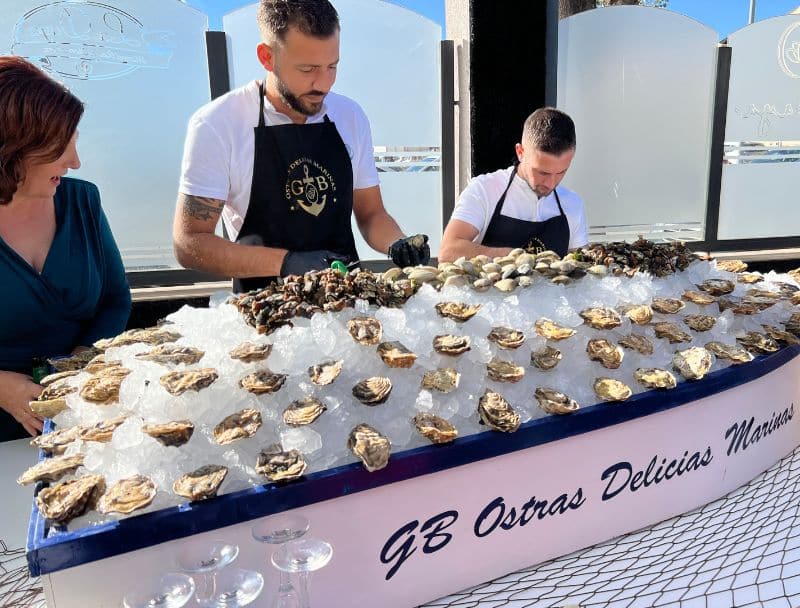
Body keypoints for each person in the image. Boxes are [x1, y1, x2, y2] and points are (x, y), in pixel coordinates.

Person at [173, 0, 430, 292]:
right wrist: (287, 262)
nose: (324, 84)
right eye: (307, 69)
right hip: (264, 305)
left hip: (346, 299)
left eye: (332, 66)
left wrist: (396, 243)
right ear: (267, 57)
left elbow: (372, 214)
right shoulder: (218, 124)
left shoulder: (350, 116)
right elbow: (190, 242)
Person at [0, 56, 132, 440]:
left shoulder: (82, 200)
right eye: (61, 147)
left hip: (79, 415)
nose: (75, 162)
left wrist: (81, 362)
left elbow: (115, 300)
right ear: (13, 147)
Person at [439, 107, 588, 262]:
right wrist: (515, 258)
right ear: (520, 152)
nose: (551, 184)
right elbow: (449, 251)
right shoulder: (484, 190)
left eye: (561, 172)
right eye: (542, 173)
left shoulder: (573, 203)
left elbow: (580, 266)